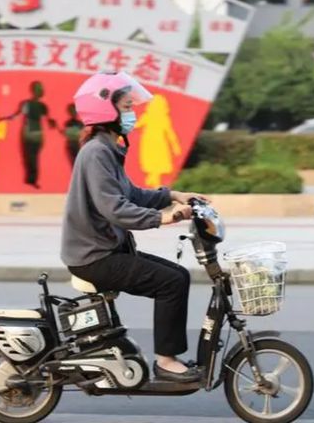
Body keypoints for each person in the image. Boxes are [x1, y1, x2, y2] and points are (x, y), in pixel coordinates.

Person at [60, 71, 208, 383]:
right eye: (127, 107)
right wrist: (164, 217)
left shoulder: (106, 149)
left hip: (104, 251)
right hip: (94, 257)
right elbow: (113, 208)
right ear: (106, 111)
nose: (132, 113)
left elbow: (130, 194)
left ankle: (165, 356)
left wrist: (172, 195)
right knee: (170, 282)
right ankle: (166, 361)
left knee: (178, 275)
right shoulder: (97, 152)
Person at [0, 81, 56, 188]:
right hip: (38, 135)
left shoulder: (26, 104)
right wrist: (53, 124)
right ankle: (32, 180)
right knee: (34, 158)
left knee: (28, 158)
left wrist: (4, 119)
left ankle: (30, 179)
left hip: (28, 133)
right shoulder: (42, 106)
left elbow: (15, 116)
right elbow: (49, 121)